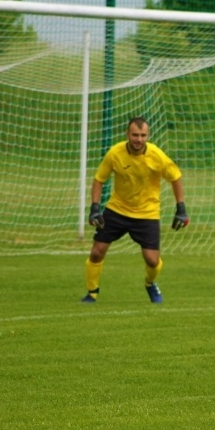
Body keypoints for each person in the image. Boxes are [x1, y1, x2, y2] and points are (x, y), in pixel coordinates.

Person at [80, 116, 189, 304]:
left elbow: (175, 177)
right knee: (97, 251)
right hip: (117, 209)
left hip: (147, 213)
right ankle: (92, 293)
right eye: (135, 135)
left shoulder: (157, 155)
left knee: (152, 260)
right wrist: (95, 208)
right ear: (127, 134)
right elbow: (99, 179)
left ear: (148, 135)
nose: (139, 139)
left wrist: (181, 208)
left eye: (143, 135)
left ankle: (150, 283)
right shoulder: (115, 153)